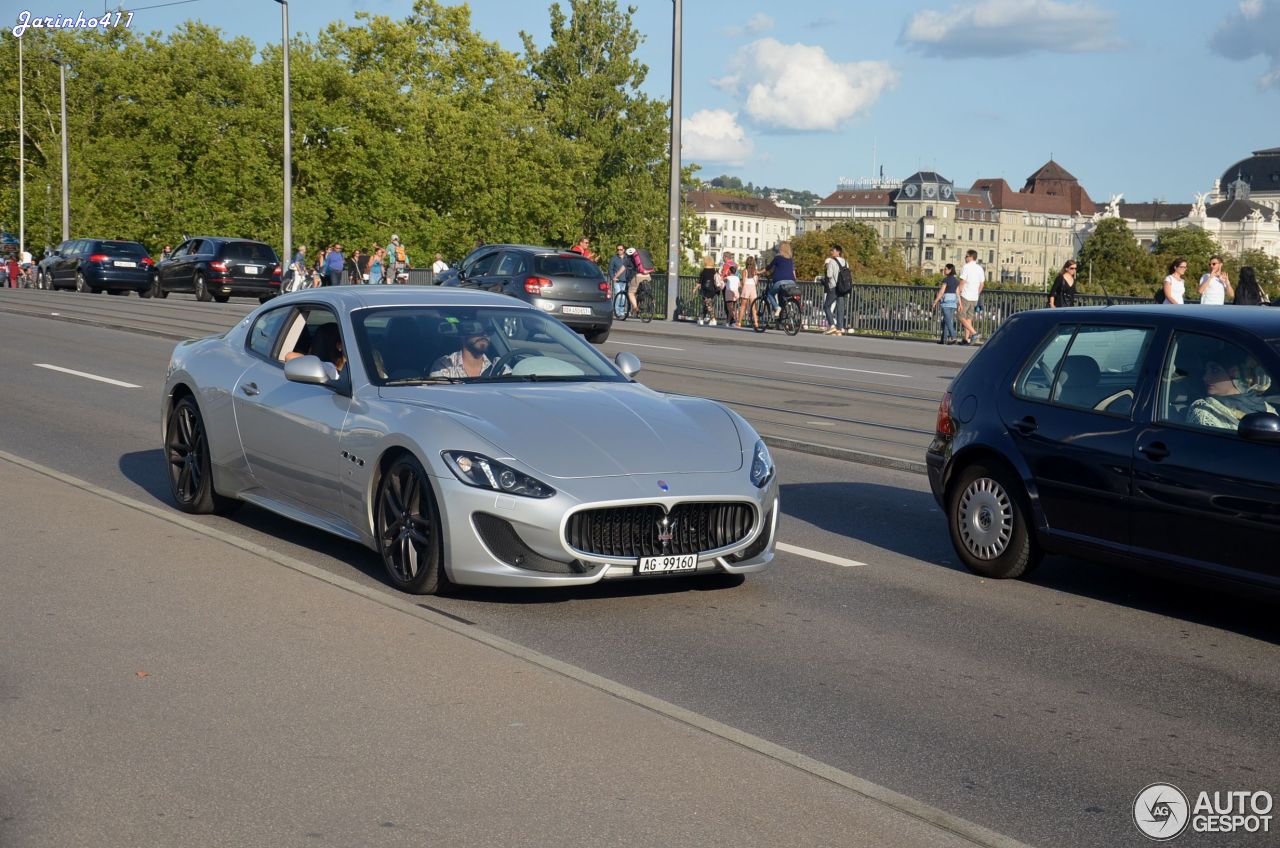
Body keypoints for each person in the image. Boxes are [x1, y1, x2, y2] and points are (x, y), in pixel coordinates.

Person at [1188, 355, 1276, 430]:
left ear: (1239, 375)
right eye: (1206, 371)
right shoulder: (1204, 411)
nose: (1205, 377)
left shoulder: (1266, 407)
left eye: (1215, 370)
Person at [958, 249, 985, 344]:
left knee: (960, 317)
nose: (965, 258)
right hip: (975, 297)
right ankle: (966, 339)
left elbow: (962, 282)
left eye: (966, 256)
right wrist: (977, 293)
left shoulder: (966, 267)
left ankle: (974, 333)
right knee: (968, 318)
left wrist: (958, 292)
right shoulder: (980, 268)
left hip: (965, 295)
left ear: (970, 257)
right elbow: (982, 284)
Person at [932, 263, 962, 344]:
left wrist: (935, 301)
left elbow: (941, 292)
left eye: (945, 269)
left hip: (946, 302)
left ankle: (954, 337)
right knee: (946, 320)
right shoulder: (956, 281)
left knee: (948, 320)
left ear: (950, 270)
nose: (944, 270)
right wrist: (960, 304)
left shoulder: (946, 280)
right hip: (953, 303)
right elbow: (958, 293)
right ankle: (943, 339)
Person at [822, 244, 848, 336]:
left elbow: (829, 275)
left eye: (832, 250)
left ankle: (832, 325)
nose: (831, 252)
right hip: (843, 288)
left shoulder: (832, 261)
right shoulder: (845, 261)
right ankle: (839, 329)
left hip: (834, 287)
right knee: (840, 308)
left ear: (838, 251)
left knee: (826, 306)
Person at [764, 241, 795, 313]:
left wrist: (759, 272)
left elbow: (769, 267)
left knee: (770, 294)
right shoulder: (790, 259)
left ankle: (776, 307)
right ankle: (782, 317)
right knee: (782, 296)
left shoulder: (777, 258)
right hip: (791, 282)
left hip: (780, 282)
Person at [626, 246, 655, 316]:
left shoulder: (631, 259)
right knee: (642, 291)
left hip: (639, 276)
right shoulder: (642, 257)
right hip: (648, 275)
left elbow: (629, 268)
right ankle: (644, 301)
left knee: (630, 293)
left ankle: (635, 308)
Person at [697, 255, 720, 326]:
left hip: (705, 290)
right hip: (713, 290)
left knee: (708, 305)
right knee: (707, 304)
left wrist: (695, 288)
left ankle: (713, 319)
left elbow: (699, 281)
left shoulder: (703, 271)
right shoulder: (714, 271)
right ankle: (701, 318)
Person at [739, 256, 759, 329]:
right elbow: (756, 282)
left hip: (746, 287)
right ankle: (756, 323)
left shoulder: (745, 270)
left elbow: (744, 281)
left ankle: (739, 322)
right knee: (753, 307)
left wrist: (741, 288)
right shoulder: (755, 271)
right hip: (753, 288)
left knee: (743, 306)